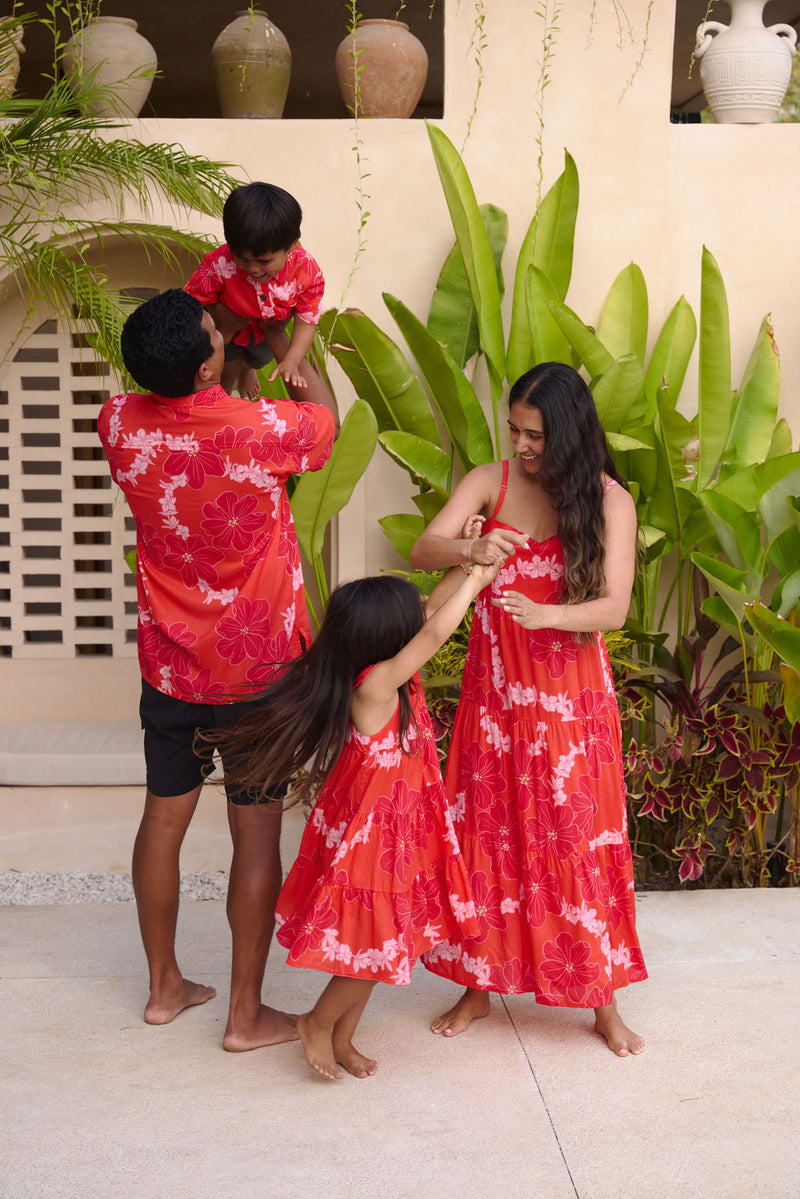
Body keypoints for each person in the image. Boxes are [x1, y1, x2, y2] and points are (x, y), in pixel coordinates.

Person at [96, 288, 338, 1050]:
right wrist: (298, 363)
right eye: (214, 332)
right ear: (209, 360)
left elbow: (164, 404)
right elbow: (324, 425)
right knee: (255, 833)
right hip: (258, 667)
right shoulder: (260, 429)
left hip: (170, 666)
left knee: (163, 818)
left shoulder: (117, 423)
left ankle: (164, 988)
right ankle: (245, 1012)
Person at [409, 362, 647, 1057]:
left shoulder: (609, 501)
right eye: (514, 428)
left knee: (578, 840)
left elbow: (615, 605)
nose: (521, 443)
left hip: (572, 701)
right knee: (488, 834)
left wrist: (544, 614)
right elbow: (426, 548)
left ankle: (600, 999)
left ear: (568, 432)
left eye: (535, 432)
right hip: (497, 698)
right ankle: (477, 987)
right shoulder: (492, 482)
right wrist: (472, 546)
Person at [202, 569, 498, 1080]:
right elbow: (432, 631)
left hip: (395, 837)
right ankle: (317, 1023)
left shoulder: (392, 677)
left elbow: (428, 616)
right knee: (379, 948)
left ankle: (342, 1037)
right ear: (390, 637)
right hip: (373, 840)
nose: (422, 614)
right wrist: (479, 578)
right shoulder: (376, 686)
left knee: (377, 943)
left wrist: (469, 559)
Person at [185, 181, 328, 401]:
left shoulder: (307, 272)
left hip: (266, 333)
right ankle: (238, 377)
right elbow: (190, 303)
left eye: (264, 261)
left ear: (291, 245)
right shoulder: (218, 263)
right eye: (241, 258)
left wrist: (291, 360)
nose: (252, 268)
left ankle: (249, 369)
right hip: (228, 333)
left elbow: (306, 321)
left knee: (257, 359)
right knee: (225, 378)